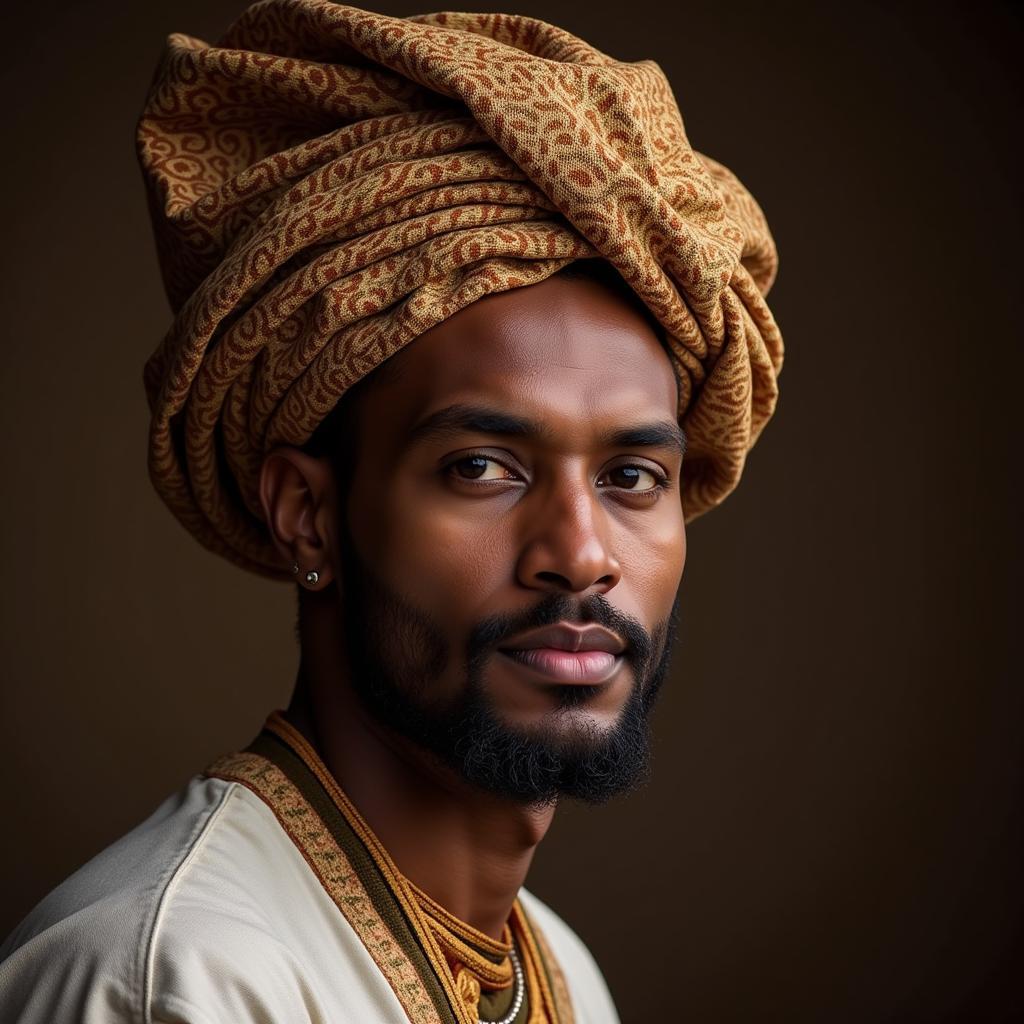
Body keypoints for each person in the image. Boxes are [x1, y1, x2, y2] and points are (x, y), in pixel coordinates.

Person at [0, 2, 784, 1021]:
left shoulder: (560, 973)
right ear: (308, 516)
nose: (581, 554)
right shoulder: (179, 977)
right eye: (483, 467)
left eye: (630, 478)